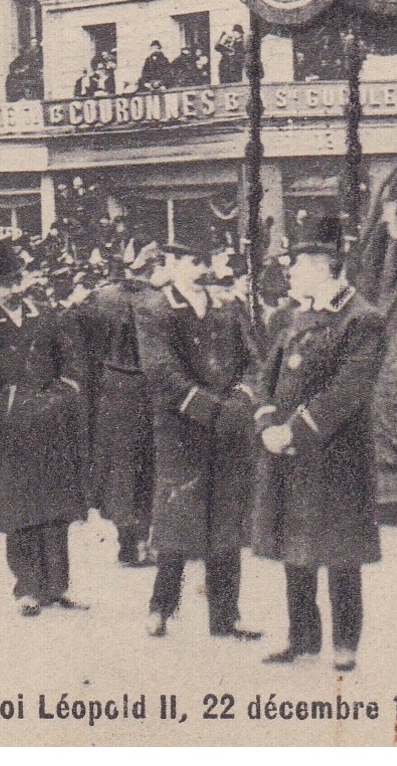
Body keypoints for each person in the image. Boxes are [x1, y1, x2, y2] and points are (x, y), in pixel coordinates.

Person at [249, 214, 388, 671]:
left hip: (337, 457)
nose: (290, 273)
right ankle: (302, 637)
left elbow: (349, 389)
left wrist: (296, 430)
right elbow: (265, 375)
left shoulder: (362, 318)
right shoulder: (290, 316)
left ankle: (345, 642)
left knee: (340, 554)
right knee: (296, 548)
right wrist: (268, 421)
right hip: (287, 453)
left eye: (297, 265)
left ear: (324, 264)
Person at [0, 233, 90, 616]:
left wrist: (59, 397)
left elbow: (72, 362)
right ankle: (27, 587)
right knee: (19, 510)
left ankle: (58, 586)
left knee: (56, 507)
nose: (12, 289)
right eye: (3, 284)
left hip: (50, 424)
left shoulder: (44, 316)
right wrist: (11, 407)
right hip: (7, 429)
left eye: (16, 281)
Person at [137, 218, 262, 640]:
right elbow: (160, 370)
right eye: (180, 259)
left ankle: (226, 616)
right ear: (169, 265)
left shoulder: (228, 307)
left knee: (226, 521)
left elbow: (253, 360)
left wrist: (243, 399)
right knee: (177, 519)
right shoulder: (154, 310)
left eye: (196, 259)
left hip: (227, 428)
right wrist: (206, 407)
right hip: (181, 429)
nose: (190, 266)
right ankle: (161, 607)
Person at [84, 240, 163, 567]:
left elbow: (86, 352)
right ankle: (144, 538)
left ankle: (126, 540)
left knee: (118, 467)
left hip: (111, 388)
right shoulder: (161, 300)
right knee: (149, 465)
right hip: (150, 388)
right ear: (152, 265)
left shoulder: (100, 298)